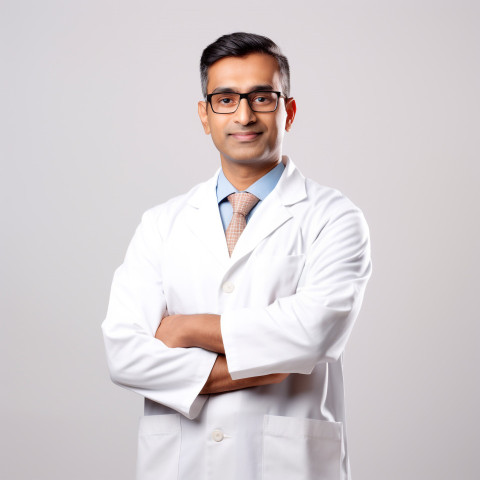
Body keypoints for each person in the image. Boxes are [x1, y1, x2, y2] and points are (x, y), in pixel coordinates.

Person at [102, 32, 371, 480]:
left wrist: (187, 328)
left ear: (289, 110)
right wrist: (262, 366)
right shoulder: (161, 223)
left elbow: (312, 334)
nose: (244, 115)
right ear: (204, 116)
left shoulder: (333, 217)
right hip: (180, 463)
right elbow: (124, 353)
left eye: (262, 97)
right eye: (225, 99)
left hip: (290, 466)